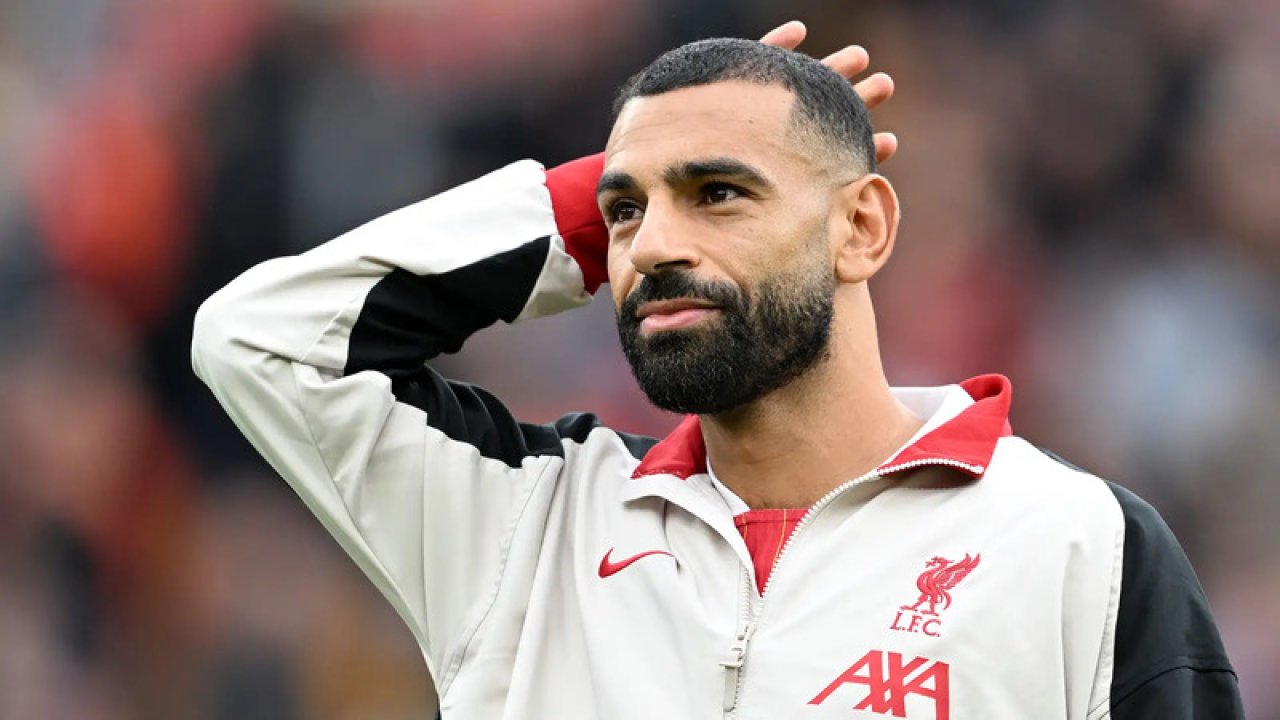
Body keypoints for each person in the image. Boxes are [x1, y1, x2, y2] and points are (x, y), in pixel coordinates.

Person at [192, 21, 1242, 720]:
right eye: (625, 212)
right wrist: (597, 192)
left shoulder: (1079, 545)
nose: (651, 246)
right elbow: (261, 339)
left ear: (861, 228)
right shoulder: (523, 524)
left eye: (719, 193)